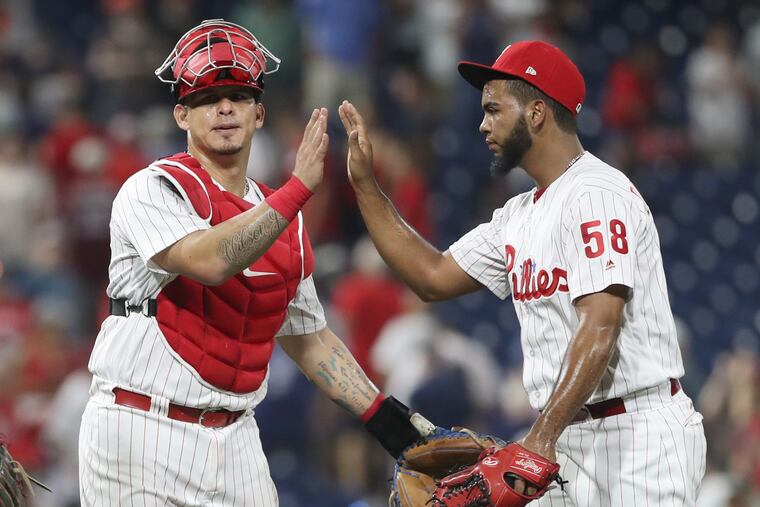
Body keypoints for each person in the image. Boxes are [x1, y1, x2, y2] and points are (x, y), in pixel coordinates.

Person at [339, 40, 707, 505]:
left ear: (536, 113)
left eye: (494, 109)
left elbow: (600, 325)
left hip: (637, 437)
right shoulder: (519, 214)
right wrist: (366, 187)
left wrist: (539, 439)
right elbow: (431, 275)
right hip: (565, 438)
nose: (482, 123)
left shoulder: (595, 195)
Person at [78, 19, 426, 506]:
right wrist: (297, 189)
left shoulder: (284, 217)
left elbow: (309, 340)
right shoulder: (152, 189)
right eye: (205, 97)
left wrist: (390, 424)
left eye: (238, 95)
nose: (224, 108)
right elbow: (210, 260)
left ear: (258, 113)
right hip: (140, 430)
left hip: (236, 437)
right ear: (182, 115)